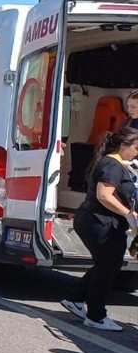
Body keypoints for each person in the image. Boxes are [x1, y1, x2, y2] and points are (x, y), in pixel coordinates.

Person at [60, 128, 138, 332]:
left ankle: (75, 299)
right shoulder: (112, 164)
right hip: (100, 223)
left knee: (105, 265)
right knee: (107, 268)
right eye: (135, 148)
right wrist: (129, 214)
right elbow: (104, 195)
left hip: (100, 222)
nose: (137, 152)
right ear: (123, 146)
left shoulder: (117, 164)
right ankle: (96, 315)